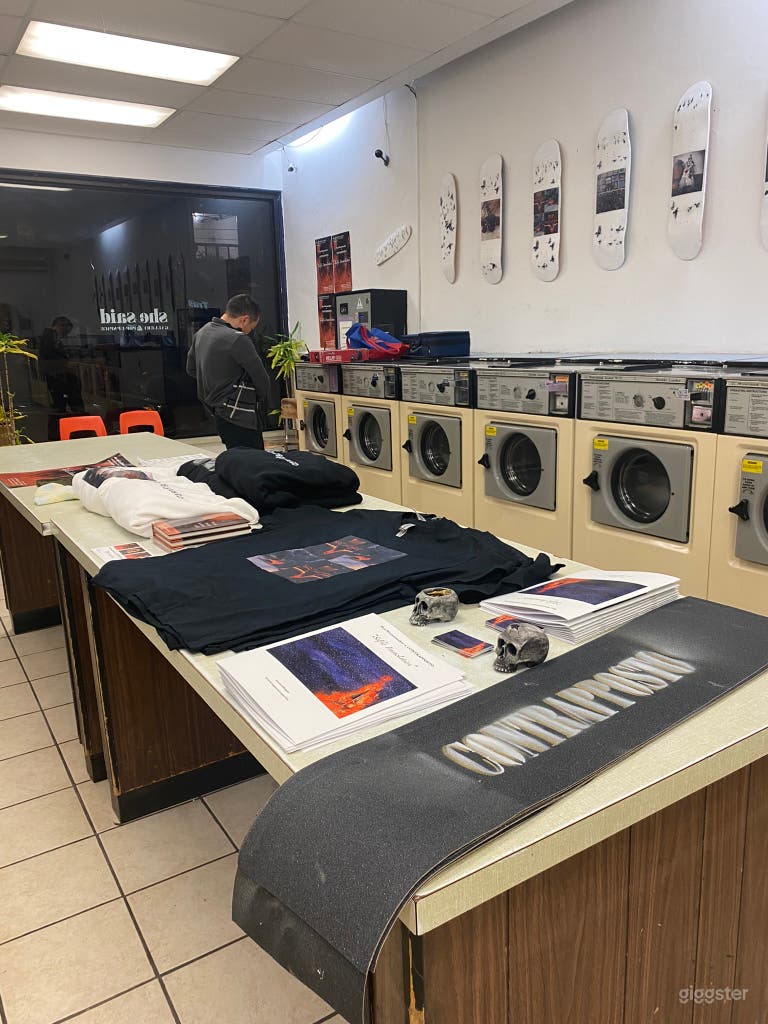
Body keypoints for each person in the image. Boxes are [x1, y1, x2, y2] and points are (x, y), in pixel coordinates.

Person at [186, 294, 269, 449]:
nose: (248, 332)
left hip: (217, 413)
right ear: (244, 319)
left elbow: (191, 369)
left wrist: (215, 381)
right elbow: (262, 381)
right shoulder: (238, 339)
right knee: (254, 463)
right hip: (240, 414)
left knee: (234, 459)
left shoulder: (202, 333)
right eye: (250, 328)